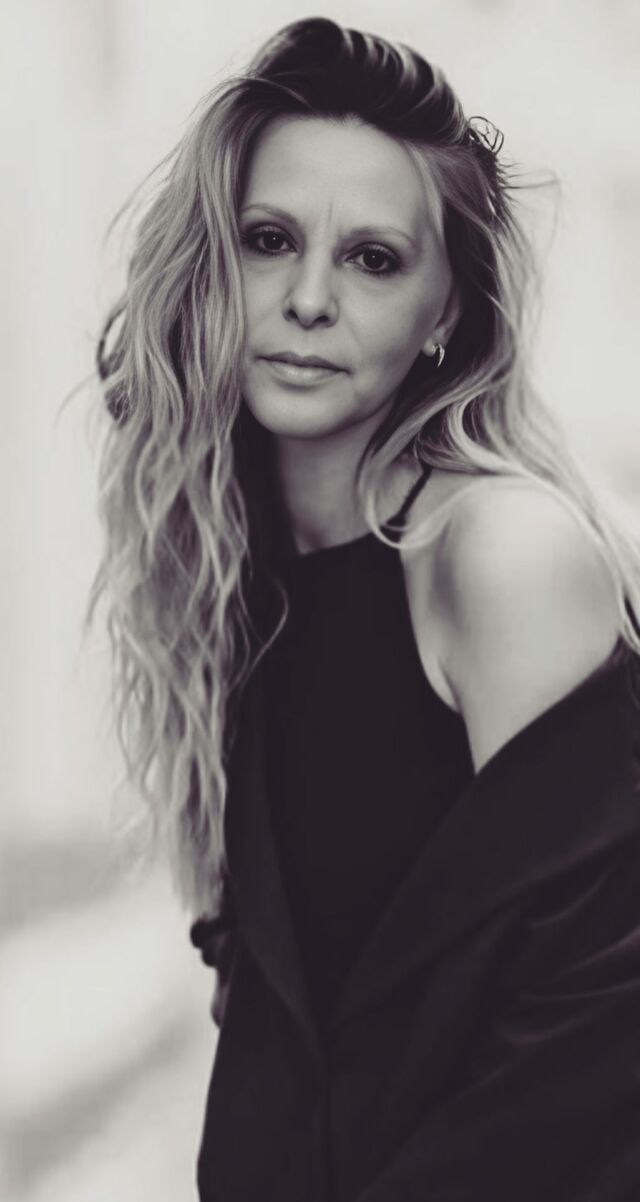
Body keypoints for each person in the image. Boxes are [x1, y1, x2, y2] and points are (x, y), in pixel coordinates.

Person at [90, 17, 640, 1201]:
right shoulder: (241, 573)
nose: (306, 299)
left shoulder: (498, 553)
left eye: (374, 259)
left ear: (448, 314)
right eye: (269, 240)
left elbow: (601, 1036)